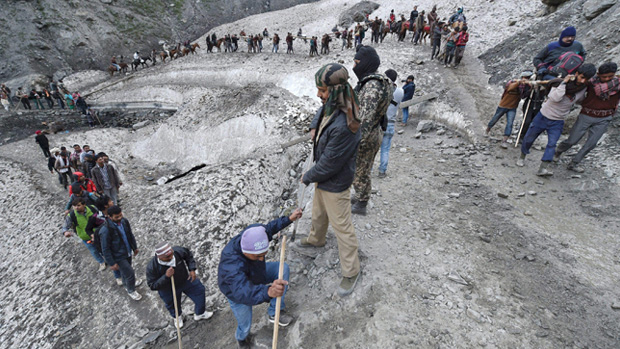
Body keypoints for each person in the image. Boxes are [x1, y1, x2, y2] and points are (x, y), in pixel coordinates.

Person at [297, 63, 362, 297]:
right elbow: (323, 109)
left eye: (322, 90)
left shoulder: (346, 125)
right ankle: (316, 240)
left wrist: (308, 176)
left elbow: (330, 164)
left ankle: (351, 271)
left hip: (335, 182)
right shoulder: (336, 101)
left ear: (333, 91)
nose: (318, 95)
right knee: (318, 213)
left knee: (342, 227)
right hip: (324, 180)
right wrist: (315, 126)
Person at [218, 209, 303, 348]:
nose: (262, 259)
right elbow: (243, 291)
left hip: (257, 274)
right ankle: (242, 340)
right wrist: (268, 291)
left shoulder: (254, 234)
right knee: (245, 325)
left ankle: (274, 312)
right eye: (258, 256)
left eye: (264, 254)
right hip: (237, 293)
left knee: (283, 269)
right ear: (246, 251)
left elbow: (269, 228)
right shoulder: (231, 265)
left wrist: (289, 219)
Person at [516, 64, 596, 176]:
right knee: (529, 138)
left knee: (552, 144)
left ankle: (542, 168)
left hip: (557, 121)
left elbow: (579, 100)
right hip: (542, 117)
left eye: (586, 79)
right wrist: (564, 83)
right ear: (576, 74)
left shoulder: (583, 88)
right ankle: (522, 157)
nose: (583, 81)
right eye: (582, 77)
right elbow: (555, 98)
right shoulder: (559, 83)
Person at [554, 62, 620, 172]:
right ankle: (558, 151)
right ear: (598, 74)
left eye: (610, 76)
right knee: (572, 140)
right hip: (586, 115)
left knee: (591, 144)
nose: (607, 79)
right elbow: (575, 87)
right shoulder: (590, 82)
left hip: (604, 118)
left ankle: (574, 163)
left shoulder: (617, 84)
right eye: (604, 77)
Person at [351, 45, 392, 215]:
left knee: (361, 168)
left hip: (367, 136)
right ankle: (360, 194)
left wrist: (355, 141)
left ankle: (361, 201)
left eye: (357, 62)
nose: (354, 67)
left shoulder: (371, 86)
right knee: (364, 167)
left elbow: (365, 120)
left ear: (365, 63)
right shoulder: (383, 80)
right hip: (376, 131)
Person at [147, 242, 214, 329]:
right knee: (172, 305)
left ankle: (200, 313)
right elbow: (152, 285)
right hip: (168, 289)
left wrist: (192, 269)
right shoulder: (152, 267)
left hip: (185, 279)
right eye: (167, 257)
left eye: (171, 254)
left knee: (200, 291)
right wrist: (166, 276)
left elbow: (188, 255)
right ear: (159, 257)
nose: (171, 257)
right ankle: (177, 317)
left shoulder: (177, 251)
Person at [99, 205, 143, 300]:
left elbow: (130, 234)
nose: (120, 218)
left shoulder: (124, 221)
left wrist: (134, 247)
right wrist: (112, 262)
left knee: (125, 272)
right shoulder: (105, 230)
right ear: (110, 217)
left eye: (120, 215)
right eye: (116, 217)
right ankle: (131, 290)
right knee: (130, 273)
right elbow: (105, 248)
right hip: (118, 256)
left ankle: (126, 283)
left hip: (127, 251)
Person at [486, 71, 533, 148]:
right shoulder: (512, 82)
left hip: (512, 108)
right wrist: (519, 82)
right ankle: (487, 130)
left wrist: (530, 89)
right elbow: (510, 88)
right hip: (503, 106)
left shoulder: (525, 87)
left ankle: (505, 140)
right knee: (495, 119)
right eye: (526, 78)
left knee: (510, 123)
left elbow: (523, 96)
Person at [62, 197, 107, 271]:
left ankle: (108, 258)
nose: (76, 208)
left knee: (103, 247)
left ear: (84, 205)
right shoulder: (72, 215)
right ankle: (101, 262)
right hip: (85, 236)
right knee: (93, 250)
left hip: (98, 233)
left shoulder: (92, 208)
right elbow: (65, 227)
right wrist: (65, 232)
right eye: (74, 206)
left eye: (78, 205)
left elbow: (101, 216)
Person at [379, 69, 404, 178]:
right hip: (390, 124)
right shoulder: (400, 92)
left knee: (372, 150)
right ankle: (382, 171)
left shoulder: (381, 90)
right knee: (385, 149)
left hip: (379, 124)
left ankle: (368, 170)